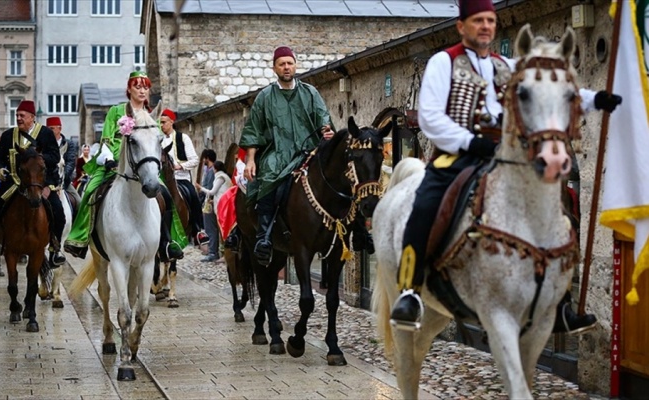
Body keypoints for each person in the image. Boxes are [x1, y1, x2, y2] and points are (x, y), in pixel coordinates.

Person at [389, 0, 623, 334]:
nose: (485, 26)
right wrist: (471, 142)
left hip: (503, 155)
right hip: (455, 156)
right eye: (478, 21)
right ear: (462, 26)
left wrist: (594, 99)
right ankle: (410, 291)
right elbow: (430, 118)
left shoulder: (508, 65)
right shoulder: (444, 62)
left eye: (490, 21)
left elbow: (549, 87)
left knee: (563, 202)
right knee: (425, 206)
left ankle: (559, 301)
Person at [64, 71, 184, 262]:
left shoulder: (151, 114)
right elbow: (106, 140)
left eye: (145, 87)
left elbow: (155, 142)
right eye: (138, 86)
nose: (142, 91)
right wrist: (109, 159)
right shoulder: (116, 111)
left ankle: (167, 242)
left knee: (166, 195)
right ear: (129, 89)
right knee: (90, 191)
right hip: (114, 163)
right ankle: (81, 238)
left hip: (144, 166)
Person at [238, 45, 342, 266]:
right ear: (274, 67)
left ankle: (352, 230)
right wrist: (250, 160)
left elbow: (323, 118)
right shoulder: (265, 97)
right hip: (276, 154)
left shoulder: (310, 93)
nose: (286, 67)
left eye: (290, 63)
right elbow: (254, 130)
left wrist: (327, 130)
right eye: (282, 64)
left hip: (309, 151)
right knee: (266, 180)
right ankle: (263, 237)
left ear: (296, 65)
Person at [0, 100, 66, 266]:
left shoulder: (45, 134)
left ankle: (55, 247)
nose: (18, 118)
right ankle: (2, 241)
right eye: (17, 115)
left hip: (40, 183)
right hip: (13, 182)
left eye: (22, 115)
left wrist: (39, 159)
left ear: (32, 117)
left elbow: (55, 157)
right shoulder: (7, 136)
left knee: (58, 211)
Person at [159, 108, 209, 246]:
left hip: (180, 178)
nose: (161, 125)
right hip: (162, 179)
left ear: (171, 122)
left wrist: (179, 166)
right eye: (160, 123)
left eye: (163, 122)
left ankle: (199, 230)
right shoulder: (157, 140)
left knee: (193, 195)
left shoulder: (183, 138)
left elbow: (194, 159)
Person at [196, 158, 232, 262]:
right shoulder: (224, 176)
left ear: (215, 169)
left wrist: (200, 188)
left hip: (222, 207)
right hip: (222, 205)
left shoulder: (220, 177)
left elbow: (212, 191)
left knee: (222, 231)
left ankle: (223, 254)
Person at [46, 117, 81, 205]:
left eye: (52, 128)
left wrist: (62, 178)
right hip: (47, 181)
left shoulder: (69, 144)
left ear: (59, 129)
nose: (49, 132)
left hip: (64, 181)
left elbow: (70, 162)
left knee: (79, 203)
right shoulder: (44, 144)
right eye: (48, 129)